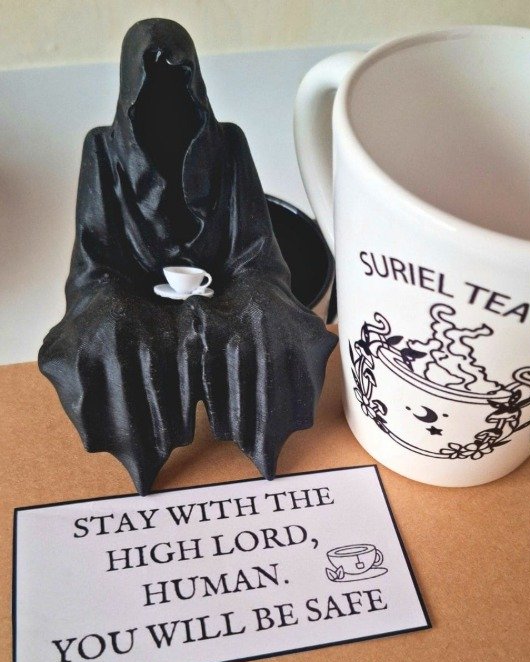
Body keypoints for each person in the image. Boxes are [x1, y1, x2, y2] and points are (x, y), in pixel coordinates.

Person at [39, 18, 337, 495]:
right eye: (149, 87)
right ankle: (143, 454)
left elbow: (256, 248)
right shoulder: (103, 149)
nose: (166, 95)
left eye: (180, 80)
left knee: (269, 319)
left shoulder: (229, 143)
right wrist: (116, 300)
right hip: (132, 288)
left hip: (227, 279)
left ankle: (262, 444)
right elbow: (94, 257)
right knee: (109, 333)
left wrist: (251, 289)